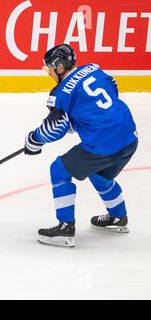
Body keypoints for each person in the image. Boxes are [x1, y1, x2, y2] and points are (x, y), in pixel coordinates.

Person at [24, 44, 138, 247]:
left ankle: (65, 228)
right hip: (129, 136)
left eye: (50, 68)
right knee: (101, 175)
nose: (49, 73)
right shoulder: (93, 69)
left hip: (104, 142)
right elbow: (113, 87)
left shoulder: (60, 94)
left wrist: (34, 140)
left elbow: (55, 128)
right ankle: (118, 217)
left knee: (59, 170)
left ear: (59, 67)